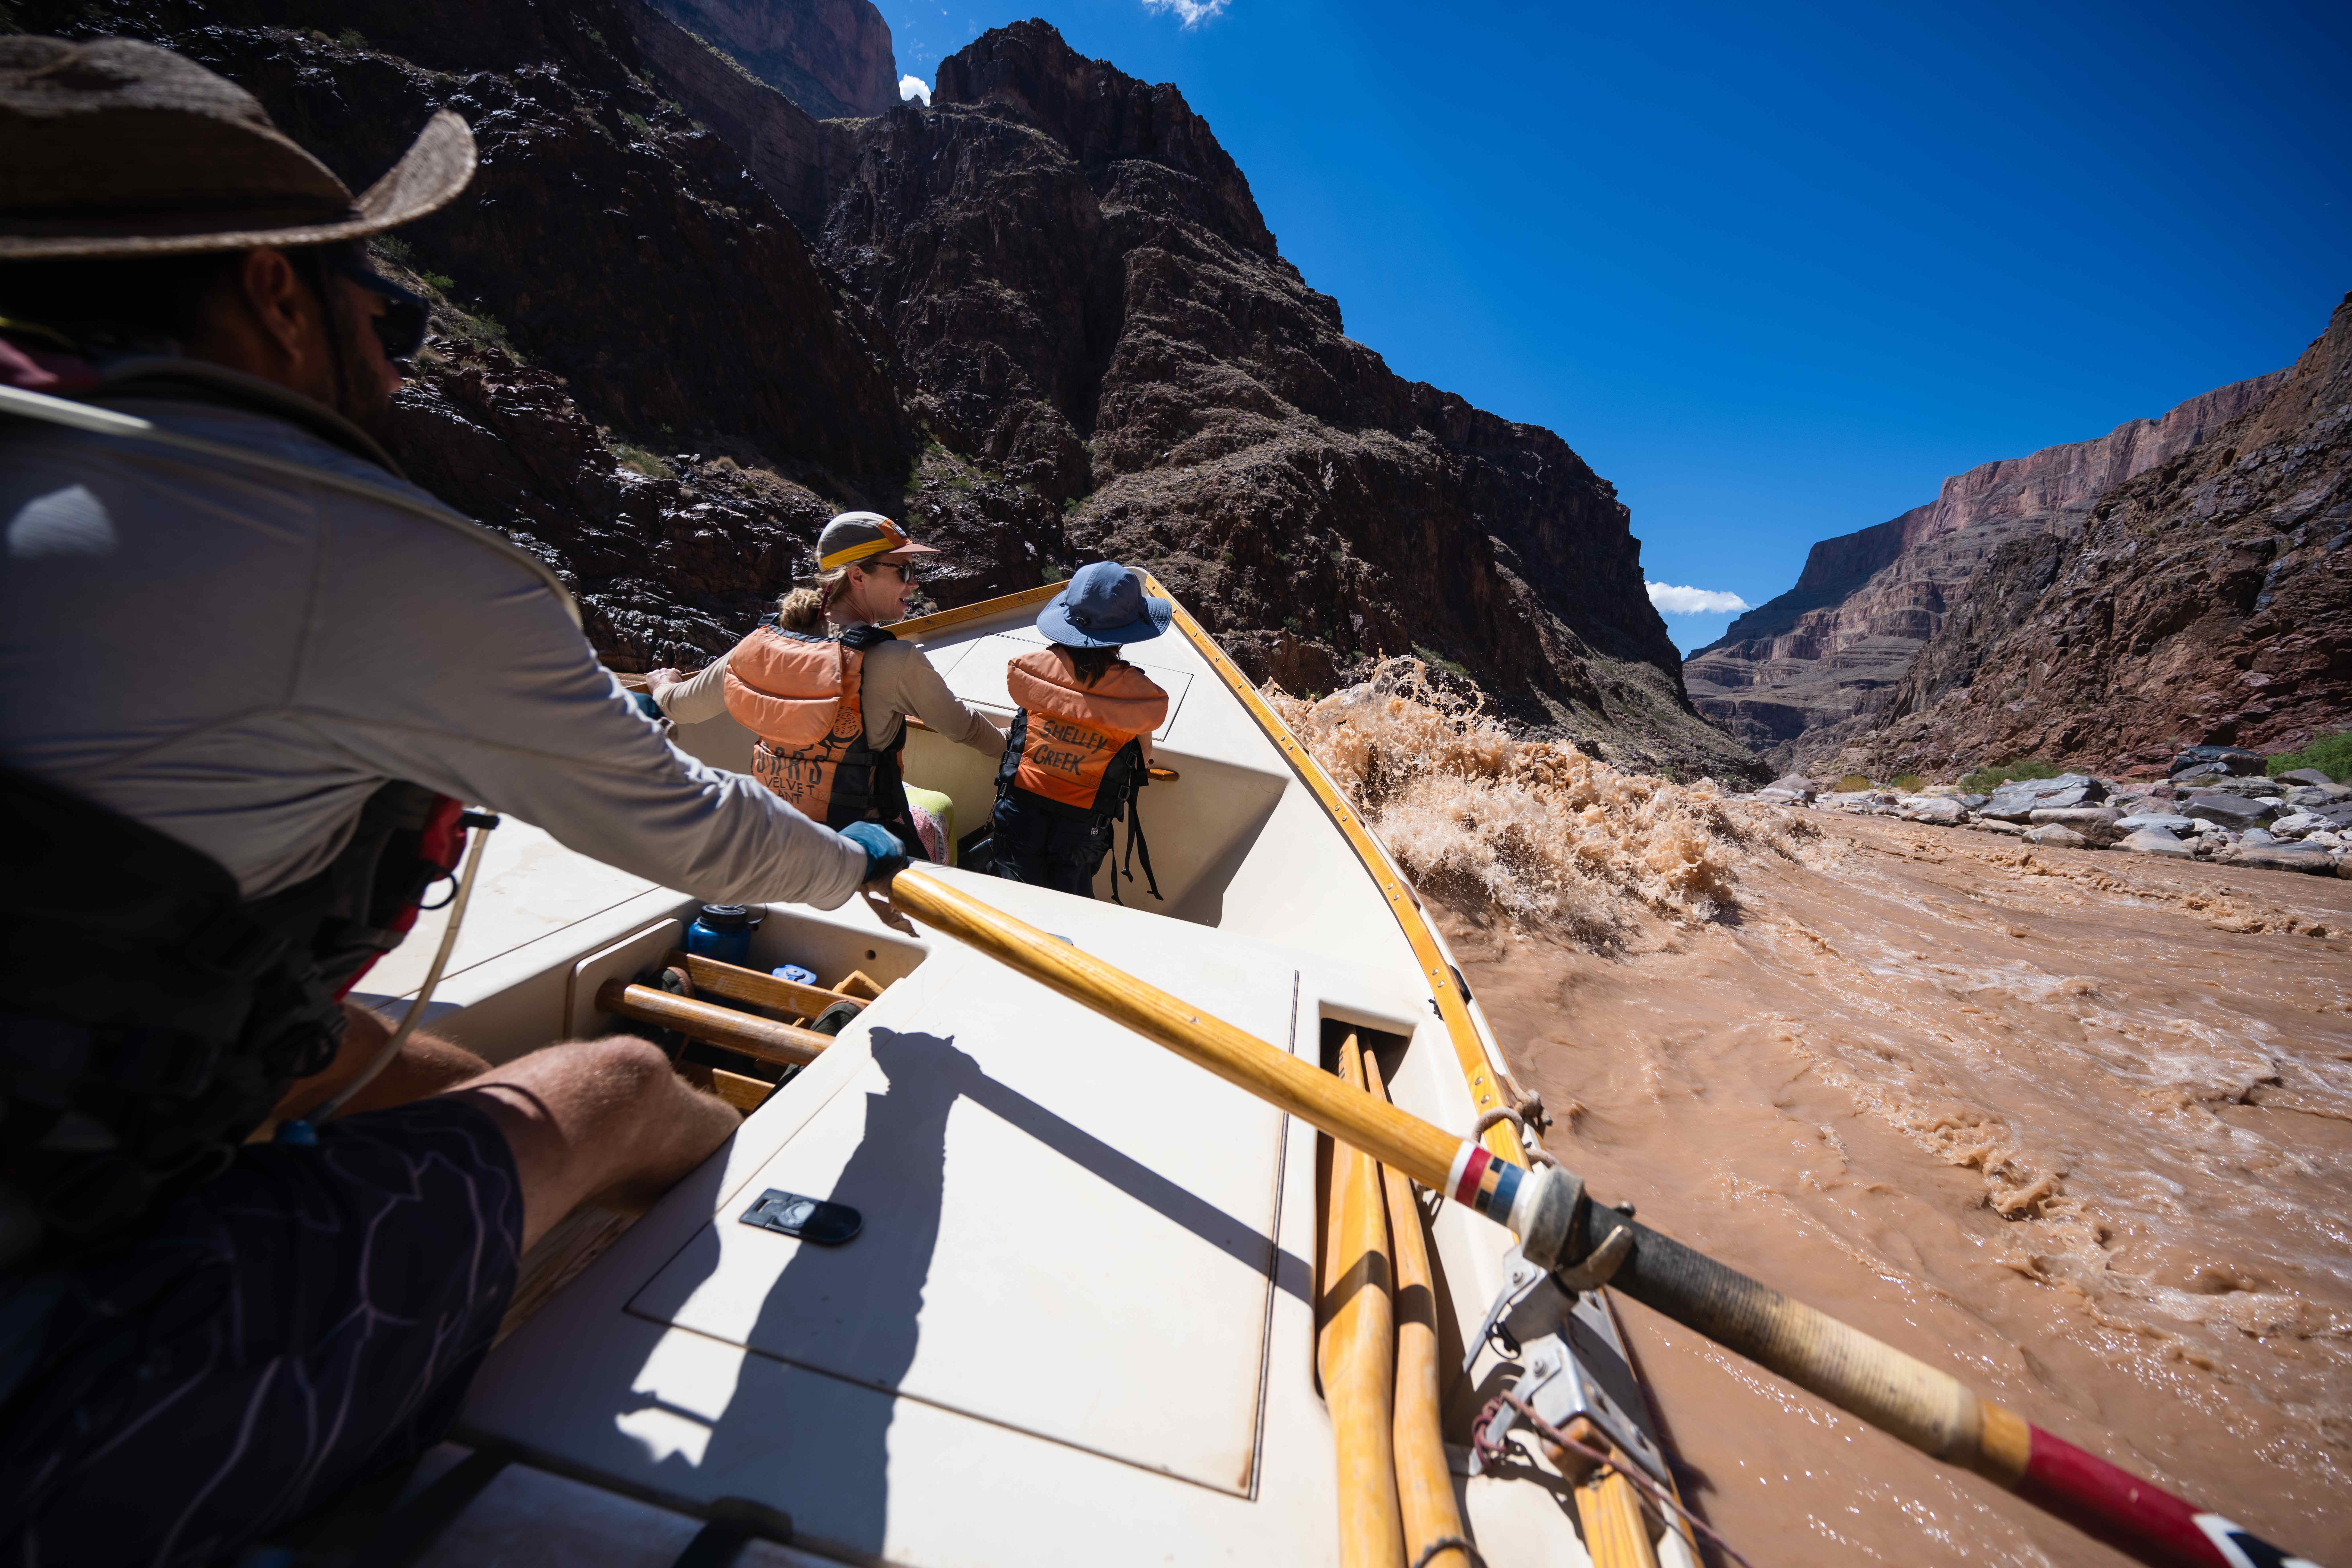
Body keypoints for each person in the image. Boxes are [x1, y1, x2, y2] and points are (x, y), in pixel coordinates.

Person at [0, 37, 908, 1564]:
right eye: (386, 304)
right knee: (611, 1087)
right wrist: (858, 871)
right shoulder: (361, 555)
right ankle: (647, 1246)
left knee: (359, 1051)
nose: (405, 353)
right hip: (45, 1411)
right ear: (277, 294)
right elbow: (692, 827)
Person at [646, 513, 1007, 858]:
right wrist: (1014, 745)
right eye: (904, 570)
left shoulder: (761, 643)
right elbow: (966, 728)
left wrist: (663, 683)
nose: (914, 583)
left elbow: (681, 707)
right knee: (935, 816)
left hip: (776, 828)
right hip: (860, 843)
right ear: (858, 576)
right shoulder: (896, 660)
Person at [985, 561, 1172, 901]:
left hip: (1019, 809)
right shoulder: (1141, 695)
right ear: (1128, 630)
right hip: (1082, 825)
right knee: (1066, 907)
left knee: (1008, 901)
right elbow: (1144, 757)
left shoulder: (1031, 671)